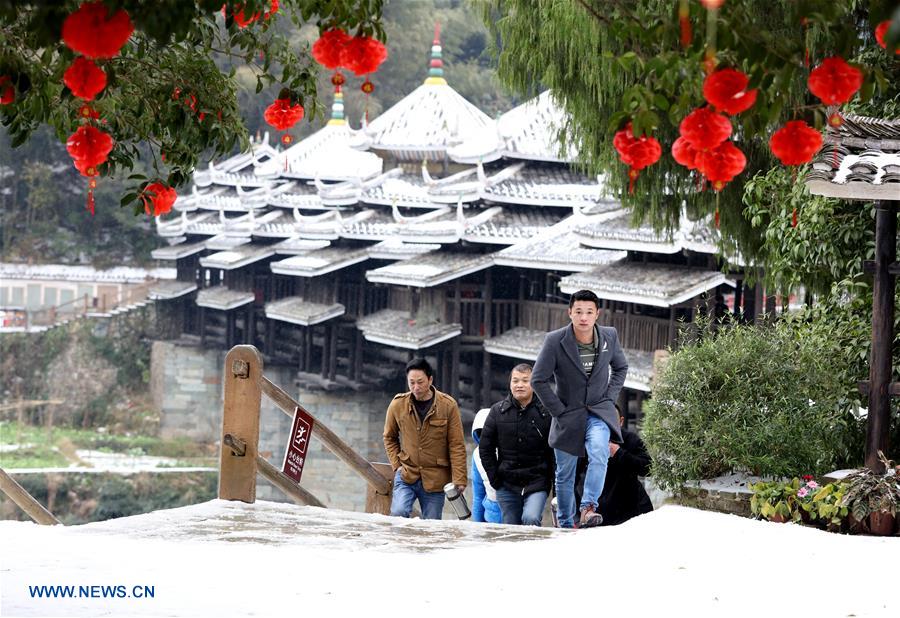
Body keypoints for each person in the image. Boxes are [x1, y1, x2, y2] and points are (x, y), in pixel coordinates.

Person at [532, 289, 628, 529]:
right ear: (570, 313)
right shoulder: (555, 340)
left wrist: (608, 398)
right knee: (565, 475)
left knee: (599, 452)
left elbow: (621, 367)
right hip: (567, 415)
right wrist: (558, 410)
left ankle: (588, 508)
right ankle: (565, 523)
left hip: (598, 412)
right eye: (578, 312)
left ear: (597, 314)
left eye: (589, 312)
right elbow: (538, 380)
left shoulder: (609, 336)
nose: (583, 317)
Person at [383, 357, 467, 520]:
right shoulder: (398, 405)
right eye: (411, 382)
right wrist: (397, 465)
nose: (416, 387)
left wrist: (459, 478)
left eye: (420, 382)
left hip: (435, 478)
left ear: (430, 380)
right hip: (407, 473)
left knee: (432, 524)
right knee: (398, 513)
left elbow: (456, 445)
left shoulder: (448, 406)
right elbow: (389, 437)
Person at [478, 364, 555, 526]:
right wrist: (495, 479)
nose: (519, 385)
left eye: (525, 381)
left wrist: (553, 485)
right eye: (515, 381)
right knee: (510, 527)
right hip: (506, 483)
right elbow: (486, 449)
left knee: (531, 518)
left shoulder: (546, 413)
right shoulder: (497, 411)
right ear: (510, 384)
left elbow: (554, 452)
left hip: (537, 482)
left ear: (534, 383)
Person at [574, 405, 653, 526]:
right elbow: (573, 478)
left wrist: (619, 453)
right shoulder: (586, 443)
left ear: (620, 421)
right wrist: (576, 514)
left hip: (632, 512)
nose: (606, 426)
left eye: (611, 420)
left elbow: (648, 468)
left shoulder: (630, 439)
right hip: (598, 515)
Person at [470, 408, 502, 524]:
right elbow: (478, 495)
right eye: (482, 433)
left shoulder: (511, 450)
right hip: (490, 517)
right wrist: (477, 524)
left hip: (513, 516)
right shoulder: (476, 455)